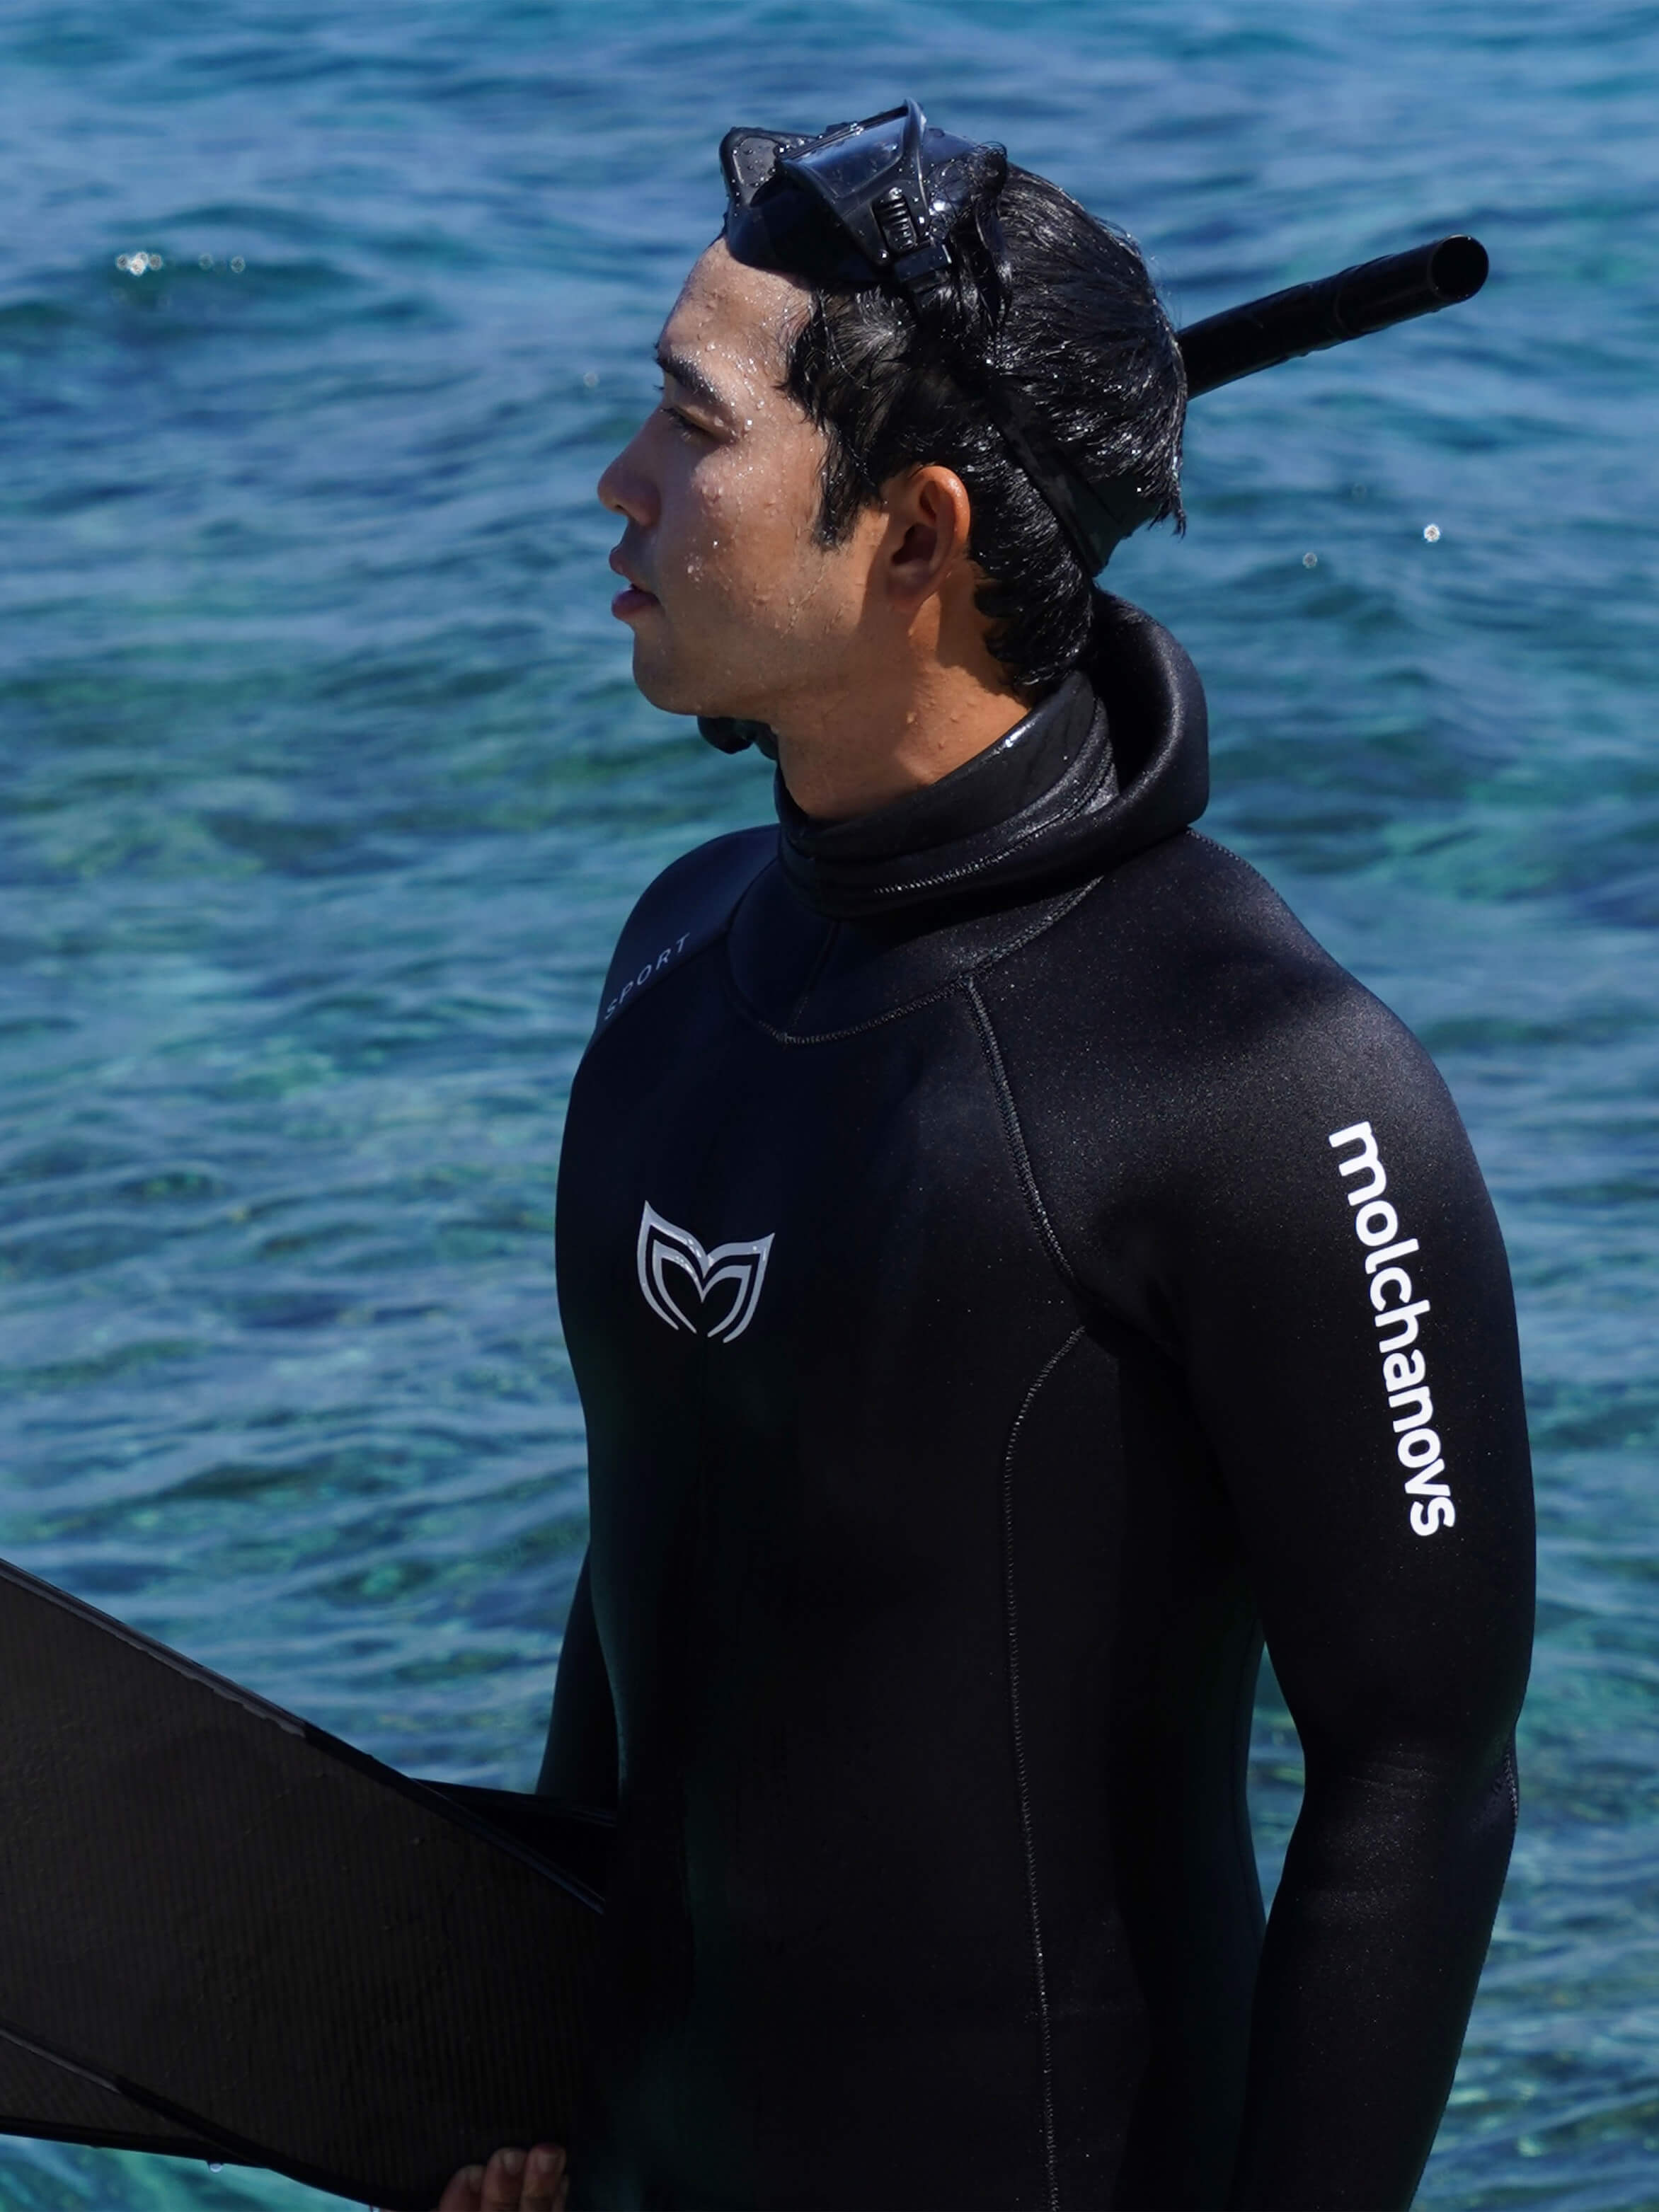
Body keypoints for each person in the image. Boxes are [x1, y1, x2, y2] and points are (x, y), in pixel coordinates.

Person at [441, 105, 1534, 2212]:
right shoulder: (681, 953)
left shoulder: (1263, 1083)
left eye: (689, 425)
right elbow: (651, 1545)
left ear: (918, 538)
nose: (619, 481)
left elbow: (1419, 1769)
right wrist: (524, 2049)